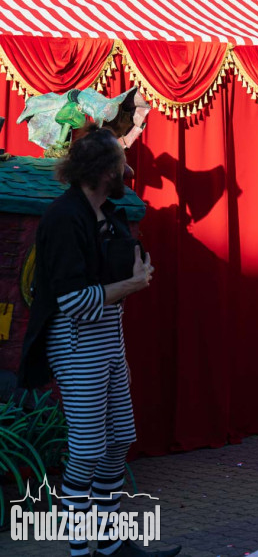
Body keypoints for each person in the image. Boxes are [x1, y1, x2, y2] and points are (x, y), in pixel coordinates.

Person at [18, 126, 180, 557]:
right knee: (88, 449)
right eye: (121, 159)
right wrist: (134, 283)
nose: (129, 166)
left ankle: (109, 546)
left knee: (118, 439)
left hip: (108, 339)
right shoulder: (64, 218)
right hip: (76, 344)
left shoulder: (110, 210)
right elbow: (72, 300)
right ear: (105, 169)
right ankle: (78, 551)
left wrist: (132, 271)